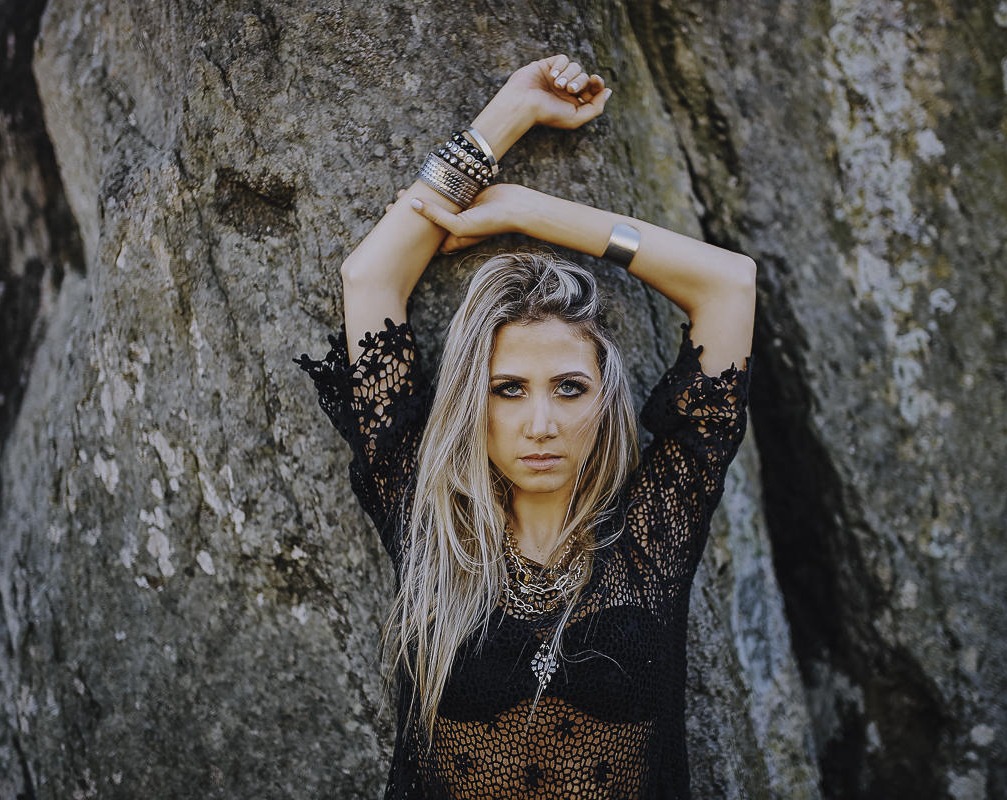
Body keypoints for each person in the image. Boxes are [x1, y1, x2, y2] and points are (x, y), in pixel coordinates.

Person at [295, 53, 756, 800]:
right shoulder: (427, 523)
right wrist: (506, 115)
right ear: (471, 408)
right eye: (507, 389)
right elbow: (370, 278)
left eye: (569, 388)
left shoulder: (652, 532)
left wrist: (522, 210)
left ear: (604, 400)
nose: (540, 422)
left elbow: (727, 285)